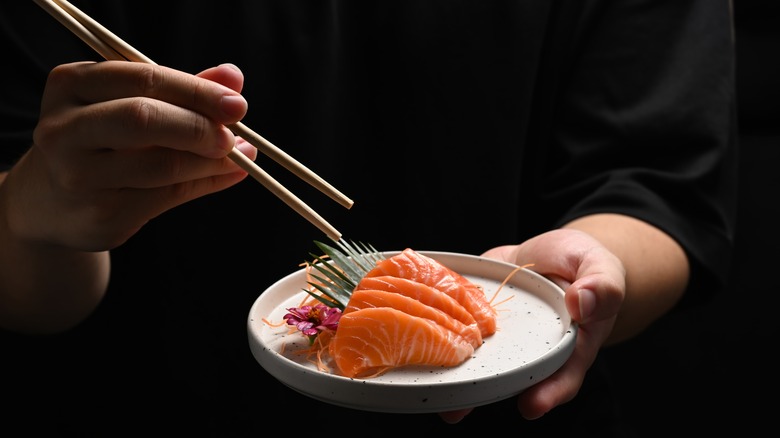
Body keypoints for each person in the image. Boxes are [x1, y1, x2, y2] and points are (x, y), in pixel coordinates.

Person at [0, 0, 737, 436]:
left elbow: (661, 188)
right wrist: (38, 219)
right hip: (147, 397)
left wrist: (596, 267)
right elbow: (28, 271)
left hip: (513, 419)